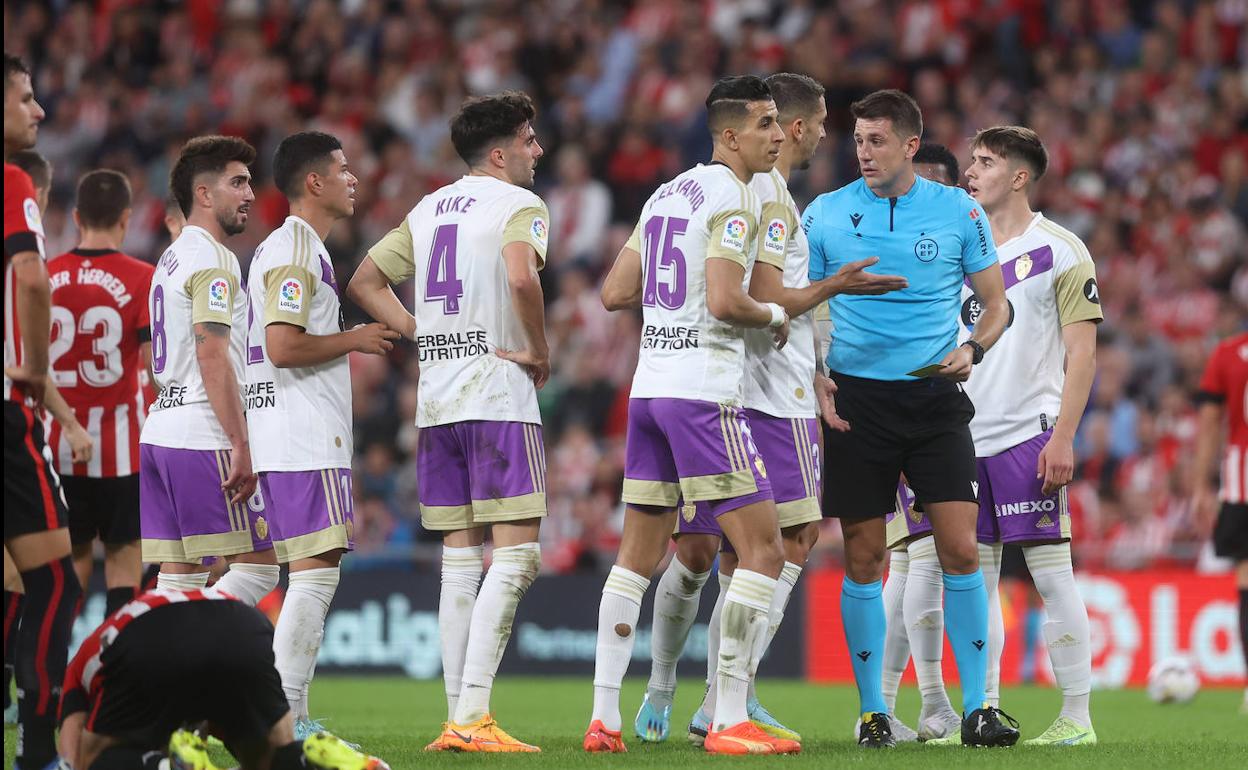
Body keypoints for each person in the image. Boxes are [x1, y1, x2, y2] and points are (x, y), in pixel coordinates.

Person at [634, 72, 906, 747]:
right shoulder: (767, 198)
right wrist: (833, 288)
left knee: (705, 549)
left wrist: (813, 367)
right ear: (788, 124)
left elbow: (645, 285)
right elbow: (762, 298)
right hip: (759, 396)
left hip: (722, 386)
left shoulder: (714, 189)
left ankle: (678, 693)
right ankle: (727, 697)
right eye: (815, 123)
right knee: (780, 542)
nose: (818, 135)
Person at [585, 75, 800, 756]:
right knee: (765, 548)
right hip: (704, 394)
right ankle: (729, 717)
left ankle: (604, 721)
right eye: (766, 123)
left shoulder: (667, 192)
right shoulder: (736, 197)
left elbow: (615, 291)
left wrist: (669, 317)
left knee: (636, 558)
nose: (778, 135)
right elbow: (724, 298)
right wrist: (772, 315)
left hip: (648, 392)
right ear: (730, 134)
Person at [804, 89, 1017, 748]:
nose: (862, 153)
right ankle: (873, 712)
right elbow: (802, 304)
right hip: (856, 401)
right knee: (865, 559)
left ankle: (980, 706)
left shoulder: (959, 211)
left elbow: (996, 303)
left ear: (909, 146)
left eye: (876, 141)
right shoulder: (825, 214)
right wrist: (814, 372)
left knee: (960, 549)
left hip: (933, 399)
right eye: (858, 141)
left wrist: (973, 347)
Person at [349, 91, 551, 753]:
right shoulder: (521, 205)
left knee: (459, 562)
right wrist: (540, 351)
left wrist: (420, 330)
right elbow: (522, 279)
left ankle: (458, 719)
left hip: (436, 401)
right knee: (516, 557)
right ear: (500, 152)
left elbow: (365, 280)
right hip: (497, 391)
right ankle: (473, 716)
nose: (537, 150)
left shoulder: (429, 207)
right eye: (528, 140)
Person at [899, 127, 1103, 746]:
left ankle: (1076, 717)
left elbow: (1082, 353)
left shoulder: (1062, 250)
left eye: (984, 163)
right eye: (971, 161)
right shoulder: (958, 248)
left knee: (1050, 573)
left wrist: (1063, 436)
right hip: (961, 436)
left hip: (1026, 434)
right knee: (975, 578)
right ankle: (982, 709)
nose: (970, 171)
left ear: (1018, 176)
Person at [247, 131, 398, 737]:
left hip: (283, 429)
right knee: (316, 571)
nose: (353, 177)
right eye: (341, 168)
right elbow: (282, 346)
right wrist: (355, 340)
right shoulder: (295, 251)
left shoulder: (287, 249)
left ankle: (294, 715)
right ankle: (282, 718)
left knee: (304, 570)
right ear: (314, 182)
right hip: (303, 432)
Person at [140, 135, 280, 604]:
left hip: (160, 431)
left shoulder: (171, 256)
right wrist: (240, 442)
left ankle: (155, 673)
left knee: (179, 581)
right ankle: (195, 653)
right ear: (203, 194)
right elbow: (211, 354)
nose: (250, 195)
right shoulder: (214, 260)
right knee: (261, 569)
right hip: (203, 434)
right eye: (237, 182)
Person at [57, 585, 389, 770]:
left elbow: (74, 759)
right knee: (270, 756)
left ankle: (171, 767)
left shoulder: (83, 666)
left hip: (153, 639)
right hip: (243, 626)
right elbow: (277, 732)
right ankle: (316, 757)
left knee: (101, 758)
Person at [3, 51, 84, 770]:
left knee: (8, 576)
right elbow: (30, 274)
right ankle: (37, 751)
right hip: (3, 412)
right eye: (26, 99)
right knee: (56, 581)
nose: (39, 112)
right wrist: (33, 367)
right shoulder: (10, 181)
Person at [875, 141, 965, 742]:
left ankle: (885, 708)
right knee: (921, 554)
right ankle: (930, 702)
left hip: (942, 420)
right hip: (913, 417)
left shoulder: (960, 245)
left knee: (907, 559)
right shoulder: (896, 254)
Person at [46, 169, 155, 618]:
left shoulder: (47, 276)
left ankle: (52, 677)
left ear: (76, 217)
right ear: (126, 219)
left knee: (67, 571)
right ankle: (114, 677)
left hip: (57, 449)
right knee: (124, 559)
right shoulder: (142, 278)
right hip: (121, 451)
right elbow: (154, 366)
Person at [1192, 330, 1248, 716]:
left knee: (1246, 580)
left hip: (1242, 485)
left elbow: (1211, 423)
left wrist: (1200, 485)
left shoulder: (1229, 352)